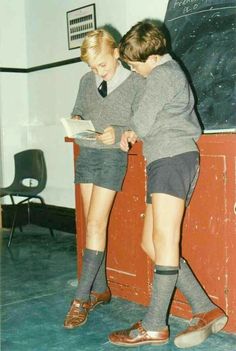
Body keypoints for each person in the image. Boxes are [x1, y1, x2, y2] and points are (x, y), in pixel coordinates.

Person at [107, 21, 228, 348]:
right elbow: (143, 115)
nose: (134, 70)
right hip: (165, 160)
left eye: (135, 65)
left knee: (164, 240)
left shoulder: (163, 75)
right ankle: (205, 308)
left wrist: (127, 132)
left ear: (151, 57)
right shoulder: (159, 71)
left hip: (173, 160)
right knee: (153, 243)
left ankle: (154, 324)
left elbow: (142, 121)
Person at [63, 28, 144, 329]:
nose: (98, 72)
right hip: (87, 155)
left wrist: (120, 131)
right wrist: (77, 122)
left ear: (116, 52)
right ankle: (100, 289)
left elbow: (141, 121)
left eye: (102, 65)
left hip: (112, 156)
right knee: (90, 224)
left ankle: (81, 299)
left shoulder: (136, 81)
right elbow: (77, 112)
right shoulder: (87, 81)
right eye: (92, 68)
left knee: (96, 224)